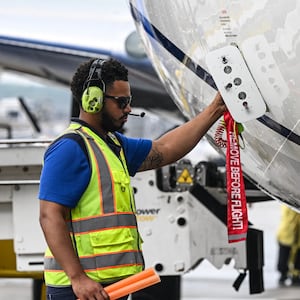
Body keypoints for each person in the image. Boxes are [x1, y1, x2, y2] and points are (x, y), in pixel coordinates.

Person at [38, 58, 226, 300]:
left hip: (113, 286)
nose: (128, 109)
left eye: (129, 101)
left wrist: (214, 111)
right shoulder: (70, 148)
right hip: (81, 291)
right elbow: (49, 216)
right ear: (92, 100)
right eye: (121, 102)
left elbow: (165, 149)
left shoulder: (112, 144)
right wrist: (78, 278)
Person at [277, 204, 300, 286]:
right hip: (287, 233)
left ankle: (295, 274)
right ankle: (284, 274)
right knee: (284, 254)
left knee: (296, 255)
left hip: (289, 233)